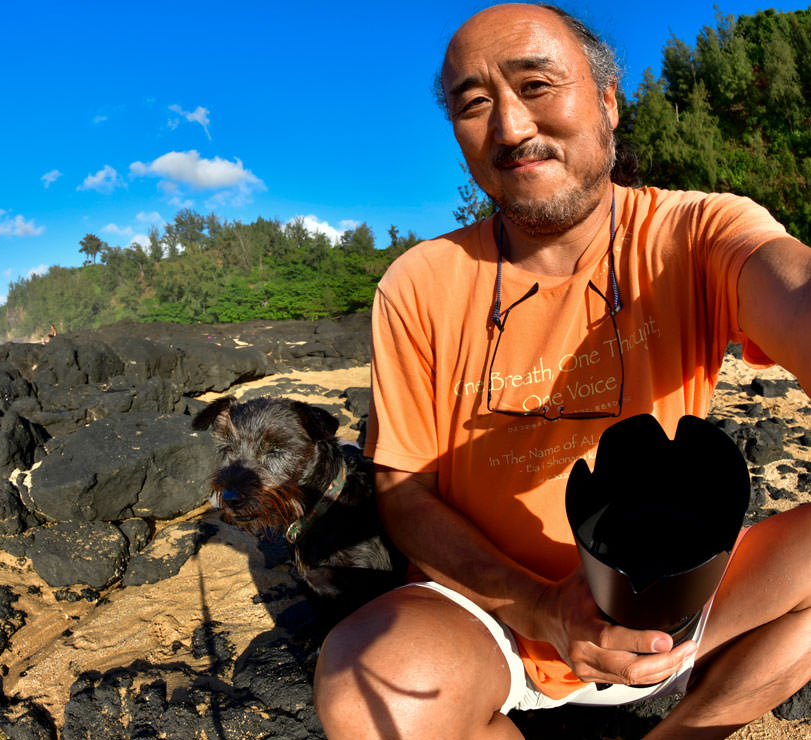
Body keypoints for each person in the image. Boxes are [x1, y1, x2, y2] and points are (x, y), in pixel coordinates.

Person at [312, 4, 811, 739]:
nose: (511, 126)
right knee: (367, 687)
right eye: (473, 104)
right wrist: (542, 607)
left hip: (678, 597)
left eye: (537, 85)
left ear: (608, 101)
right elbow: (404, 491)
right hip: (492, 615)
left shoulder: (694, 234)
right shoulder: (419, 283)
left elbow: (791, 288)